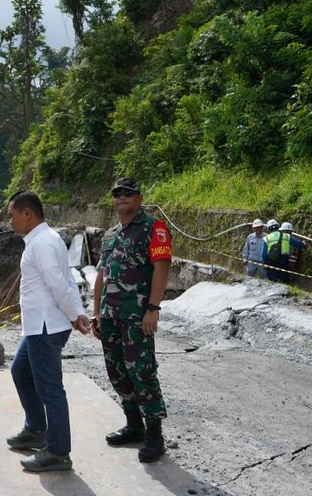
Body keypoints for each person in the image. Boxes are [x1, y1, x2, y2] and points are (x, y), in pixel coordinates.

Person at [5, 191, 91, 472]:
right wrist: (75, 312)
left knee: (50, 389)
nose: (10, 221)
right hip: (38, 326)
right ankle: (36, 429)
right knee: (21, 371)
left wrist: (76, 315)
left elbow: (59, 285)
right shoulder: (45, 239)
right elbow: (66, 281)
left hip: (45, 327)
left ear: (27, 214)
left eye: (12, 215)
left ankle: (57, 451)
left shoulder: (42, 243)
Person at [92, 177, 172, 463]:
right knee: (117, 371)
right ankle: (133, 424)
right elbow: (101, 274)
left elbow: (161, 268)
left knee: (142, 371)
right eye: (117, 193)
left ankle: (155, 435)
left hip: (137, 317)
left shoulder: (154, 228)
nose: (121, 197)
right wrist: (96, 312)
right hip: (110, 316)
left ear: (138, 197)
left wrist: (153, 308)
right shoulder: (110, 234)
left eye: (128, 193)